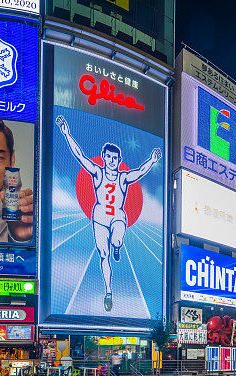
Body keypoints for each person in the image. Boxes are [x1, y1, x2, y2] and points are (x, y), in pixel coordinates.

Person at [56, 115, 162, 312]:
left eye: (115, 158)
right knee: (103, 255)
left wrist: (152, 160)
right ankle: (108, 292)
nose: (112, 161)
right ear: (104, 157)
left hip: (118, 217)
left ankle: (117, 245)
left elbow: (139, 172)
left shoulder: (123, 178)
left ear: (119, 160)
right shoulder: (97, 172)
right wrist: (66, 133)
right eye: (109, 157)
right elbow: (80, 156)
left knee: (117, 240)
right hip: (100, 218)